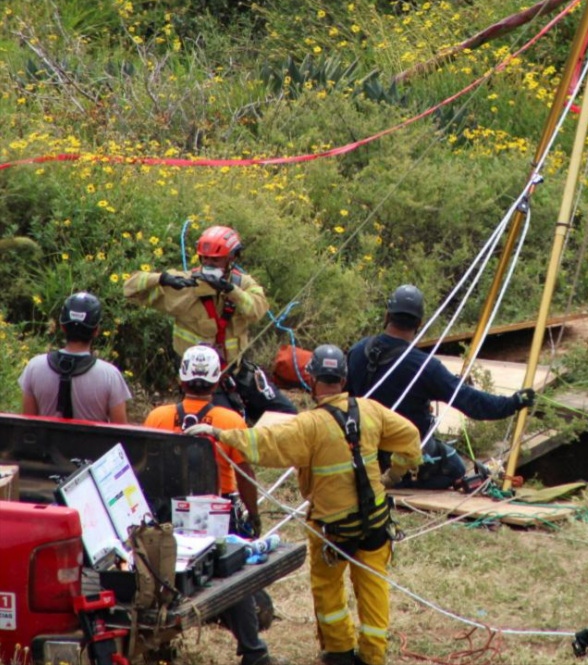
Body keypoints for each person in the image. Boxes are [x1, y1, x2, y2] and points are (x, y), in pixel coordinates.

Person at [186, 345, 422, 665]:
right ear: (343, 379)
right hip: (376, 522)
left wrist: (217, 433)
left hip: (333, 529)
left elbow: (263, 443)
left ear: (311, 380)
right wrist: (394, 474)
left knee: (328, 587)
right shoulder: (371, 410)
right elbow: (410, 436)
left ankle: (339, 651)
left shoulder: (308, 425)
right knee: (374, 587)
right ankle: (373, 656)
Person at [143, 344, 279, 665]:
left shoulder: (158, 417)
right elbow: (244, 473)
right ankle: (253, 651)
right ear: (217, 382)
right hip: (218, 514)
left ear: (181, 379)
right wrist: (253, 516)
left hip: (166, 513)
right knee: (234, 576)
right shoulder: (229, 419)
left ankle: (157, 645)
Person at [346, 285, 535, 489]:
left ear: (387, 315)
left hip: (363, 451)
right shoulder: (424, 367)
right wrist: (512, 403)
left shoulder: (357, 351)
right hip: (402, 455)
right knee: (456, 467)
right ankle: (400, 481)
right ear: (419, 323)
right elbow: (472, 403)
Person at [124, 224, 297, 421]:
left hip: (236, 371)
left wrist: (231, 291)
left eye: (215, 260)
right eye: (205, 258)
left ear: (231, 258)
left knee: (287, 415)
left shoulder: (243, 284)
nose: (209, 264)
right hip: (202, 382)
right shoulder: (183, 286)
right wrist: (161, 278)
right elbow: (129, 289)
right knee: (226, 422)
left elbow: (257, 310)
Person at [20, 292, 131, 423]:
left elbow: (28, 425)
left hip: (45, 437)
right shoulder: (110, 376)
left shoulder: (34, 367)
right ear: (96, 331)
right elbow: (120, 430)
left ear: (62, 327)